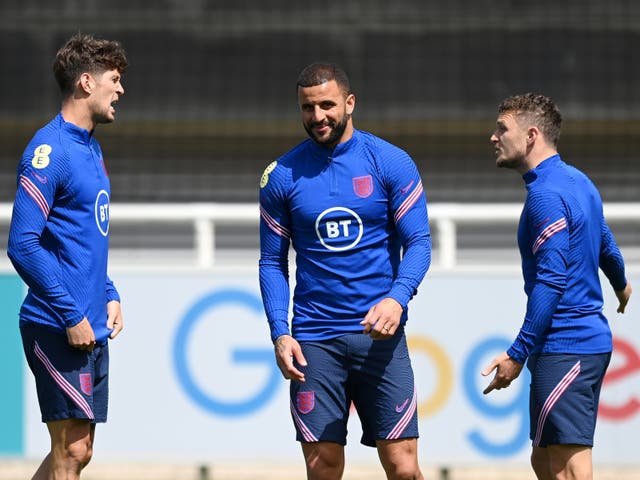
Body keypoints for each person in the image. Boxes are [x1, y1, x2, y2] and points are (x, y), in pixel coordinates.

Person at [258, 62, 431, 480]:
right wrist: (280, 332)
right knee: (323, 466)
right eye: (307, 108)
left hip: (380, 339)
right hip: (314, 341)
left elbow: (420, 243)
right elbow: (271, 262)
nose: (317, 117)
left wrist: (397, 297)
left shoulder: (391, 162)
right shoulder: (280, 176)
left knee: (403, 465)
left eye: (327, 105)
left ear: (350, 103)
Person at [482, 93, 632, 480]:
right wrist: (621, 285)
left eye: (503, 129)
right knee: (543, 460)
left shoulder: (545, 196)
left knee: (568, 469)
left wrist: (517, 354)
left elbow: (552, 278)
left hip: (567, 345)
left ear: (531, 135)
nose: (493, 137)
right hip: (580, 345)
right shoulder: (578, 180)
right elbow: (606, 243)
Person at [7, 33, 128, 480]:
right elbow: (22, 243)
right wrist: (70, 313)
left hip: (90, 320)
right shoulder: (49, 150)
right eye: (113, 80)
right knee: (70, 449)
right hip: (57, 324)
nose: (120, 90)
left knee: (79, 451)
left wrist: (109, 292)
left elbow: (82, 238)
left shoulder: (91, 147)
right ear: (85, 83)